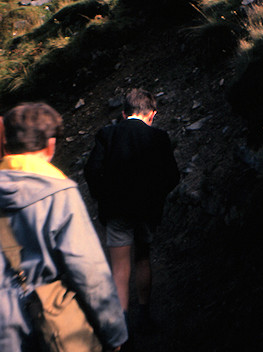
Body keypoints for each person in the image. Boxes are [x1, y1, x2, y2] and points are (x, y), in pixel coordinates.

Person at [0, 102, 128, 352]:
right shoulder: (58, 192)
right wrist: (115, 333)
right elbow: (89, 272)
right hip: (53, 325)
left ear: (7, 144)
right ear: (50, 145)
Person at [84, 88, 180, 324]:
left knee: (119, 267)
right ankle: (145, 314)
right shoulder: (159, 138)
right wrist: (155, 197)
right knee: (143, 259)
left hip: (116, 211)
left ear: (124, 114)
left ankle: (123, 323)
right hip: (146, 211)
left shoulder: (107, 134)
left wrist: (103, 198)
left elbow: (92, 172)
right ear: (152, 114)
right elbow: (172, 177)